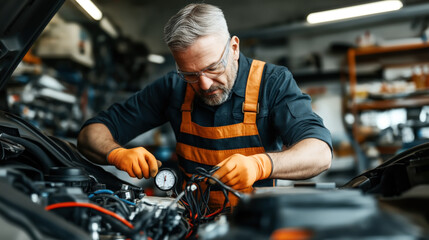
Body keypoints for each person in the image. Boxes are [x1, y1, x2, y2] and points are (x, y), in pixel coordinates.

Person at [77, 3, 332, 209]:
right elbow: (90, 134)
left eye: (212, 67)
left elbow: (319, 153)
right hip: (188, 221)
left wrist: (260, 165)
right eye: (189, 74)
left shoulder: (272, 83)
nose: (204, 84)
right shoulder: (173, 87)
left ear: (233, 48)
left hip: (255, 223)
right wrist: (116, 153)